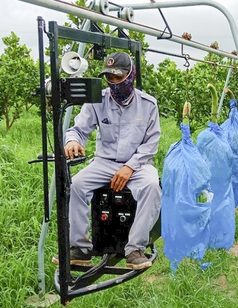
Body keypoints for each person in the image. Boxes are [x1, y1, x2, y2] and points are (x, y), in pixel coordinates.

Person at [52, 52, 161, 270]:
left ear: (130, 75)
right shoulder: (97, 100)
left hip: (137, 164)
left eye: (118, 77)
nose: (113, 83)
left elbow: (151, 144)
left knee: (151, 186)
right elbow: (78, 129)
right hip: (104, 162)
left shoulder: (148, 105)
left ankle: (135, 249)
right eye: (109, 78)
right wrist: (72, 141)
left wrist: (129, 167)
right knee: (77, 185)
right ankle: (81, 248)